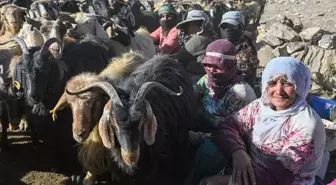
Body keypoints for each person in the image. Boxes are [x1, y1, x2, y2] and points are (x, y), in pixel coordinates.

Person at [201, 57, 326, 185]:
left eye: (287, 83)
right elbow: (227, 127)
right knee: (210, 148)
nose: (278, 90)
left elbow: (276, 176)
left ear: (299, 86)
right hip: (251, 171)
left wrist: (222, 181)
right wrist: (238, 152)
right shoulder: (261, 107)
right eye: (272, 83)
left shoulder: (306, 125)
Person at [184, 39, 257, 185]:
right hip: (209, 126)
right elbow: (191, 98)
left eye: (217, 66)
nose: (211, 70)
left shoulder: (239, 94)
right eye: (207, 65)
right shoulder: (208, 80)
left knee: (207, 153)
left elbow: (233, 133)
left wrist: (198, 137)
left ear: (230, 66)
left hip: (232, 140)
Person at [174, 10, 219, 83]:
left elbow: (180, 57)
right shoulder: (211, 37)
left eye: (195, 24)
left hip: (197, 80)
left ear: (203, 26)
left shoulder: (199, 40)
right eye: (190, 25)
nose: (190, 28)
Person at [218, 11, 259, 89]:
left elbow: (242, 75)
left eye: (232, 26)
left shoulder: (247, 49)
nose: (227, 29)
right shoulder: (221, 44)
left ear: (240, 28)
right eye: (225, 26)